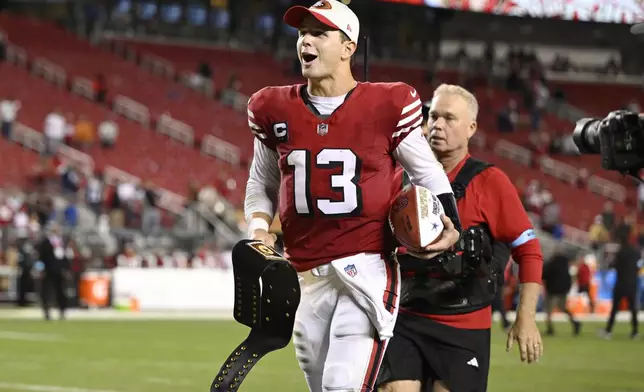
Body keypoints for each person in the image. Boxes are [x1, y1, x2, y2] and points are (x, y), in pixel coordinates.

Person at [244, 1, 462, 391]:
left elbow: (425, 170)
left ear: (348, 47)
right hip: (305, 273)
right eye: (302, 33)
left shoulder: (386, 104)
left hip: (367, 267)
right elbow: (262, 181)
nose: (306, 41)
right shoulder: (273, 107)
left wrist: (451, 223)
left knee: (340, 386)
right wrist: (260, 228)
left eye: (319, 33)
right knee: (321, 384)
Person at [377, 84, 544, 392]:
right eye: (433, 116)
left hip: (463, 326)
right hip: (405, 318)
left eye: (449, 118)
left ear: (471, 128)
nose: (437, 125)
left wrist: (526, 316)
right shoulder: (397, 178)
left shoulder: (491, 182)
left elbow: (528, 249)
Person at [600, 233, 640, 340]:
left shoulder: (620, 253)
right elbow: (638, 265)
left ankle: (608, 330)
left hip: (621, 283)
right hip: (632, 284)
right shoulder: (635, 252)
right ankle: (635, 332)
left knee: (615, 308)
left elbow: (614, 265)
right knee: (633, 309)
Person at [542, 245, 581, 336]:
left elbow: (544, 274)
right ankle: (575, 322)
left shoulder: (551, 263)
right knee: (563, 307)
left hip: (552, 290)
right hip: (563, 289)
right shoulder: (565, 264)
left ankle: (550, 329)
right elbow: (568, 278)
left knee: (548, 310)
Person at [35, 223, 70, 321]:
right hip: (48, 270)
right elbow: (40, 257)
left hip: (60, 271)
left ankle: (62, 311)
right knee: (46, 292)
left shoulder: (62, 242)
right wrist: (40, 269)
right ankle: (47, 312)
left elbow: (65, 257)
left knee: (61, 292)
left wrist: (66, 269)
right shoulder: (45, 242)